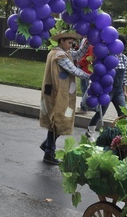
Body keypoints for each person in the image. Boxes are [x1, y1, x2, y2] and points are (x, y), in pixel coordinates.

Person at [39, 24, 90, 165]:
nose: (71, 45)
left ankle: (47, 146)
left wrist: (87, 43)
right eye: (69, 42)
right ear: (61, 41)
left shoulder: (58, 52)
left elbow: (78, 55)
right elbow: (74, 70)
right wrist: (91, 76)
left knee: (57, 122)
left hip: (56, 92)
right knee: (57, 121)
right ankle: (49, 154)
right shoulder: (59, 55)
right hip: (57, 94)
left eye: (72, 43)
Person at [85, 36, 127, 142]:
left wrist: (125, 90)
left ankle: (122, 135)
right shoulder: (107, 57)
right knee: (101, 113)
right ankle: (90, 132)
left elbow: (125, 76)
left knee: (123, 114)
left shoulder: (124, 58)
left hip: (118, 91)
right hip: (107, 91)